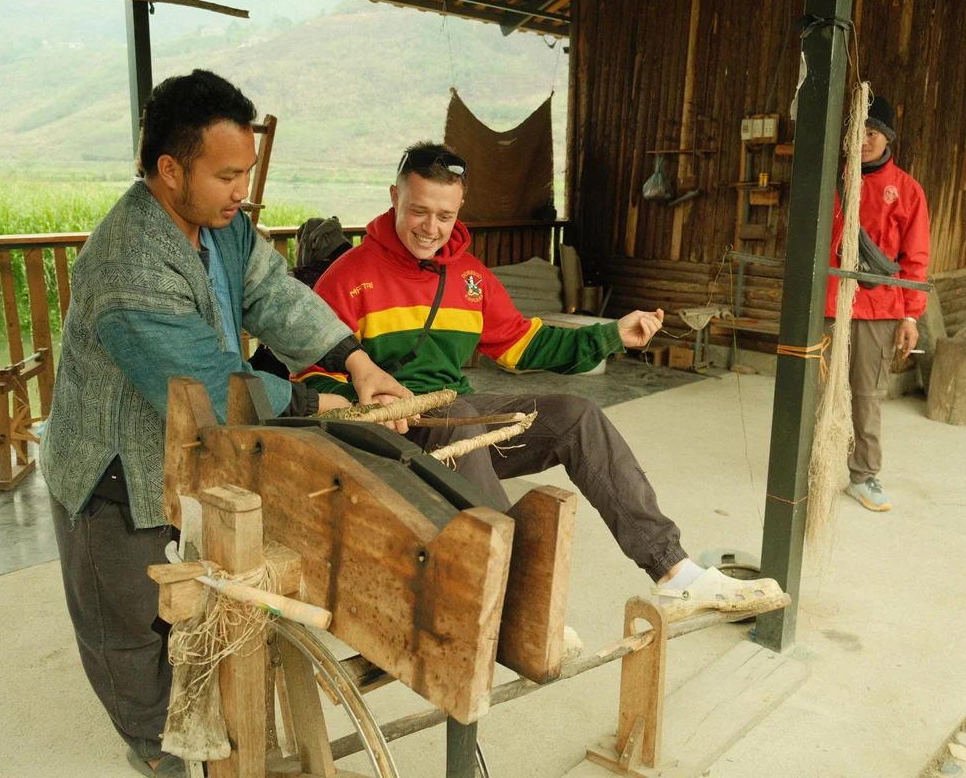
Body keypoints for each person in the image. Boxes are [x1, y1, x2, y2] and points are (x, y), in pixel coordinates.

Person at [39, 70, 408, 778]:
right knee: (125, 621)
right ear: (171, 169)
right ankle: (155, 749)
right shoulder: (128, 263)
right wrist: (315, 404)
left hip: (190, 450)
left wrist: (352, 359)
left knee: (198, 591)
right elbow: (204, 381)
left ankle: (195, 715)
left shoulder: (225, 228)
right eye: (227, 175)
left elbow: (272, 293)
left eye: (247, 173)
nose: (243, 191)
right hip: (112, 464)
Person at [297, 141, 783, 619]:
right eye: (419, 211)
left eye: (444, 216)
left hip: (454, 418)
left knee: (577, 416)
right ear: (393, 197)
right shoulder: (347, 275)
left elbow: (521, 344)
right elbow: (311, 375)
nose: (431, 228)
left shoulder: (470, 277)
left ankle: (674, 573)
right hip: (384, 434)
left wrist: (612, 335)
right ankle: (509, 600)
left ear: (460, 206)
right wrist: (375, 409)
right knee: (462, 415)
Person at [827, 95, 930, 513]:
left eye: (872, 133)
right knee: (818, 390)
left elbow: (916, 257)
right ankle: (809, 466)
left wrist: (910, 314)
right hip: (829, 304)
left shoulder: (907, 190)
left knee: (866, 395)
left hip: (880, 308)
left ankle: (864, 475)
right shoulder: (831, 182)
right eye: (858, 134)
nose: (865, 141)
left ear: (886, 138)